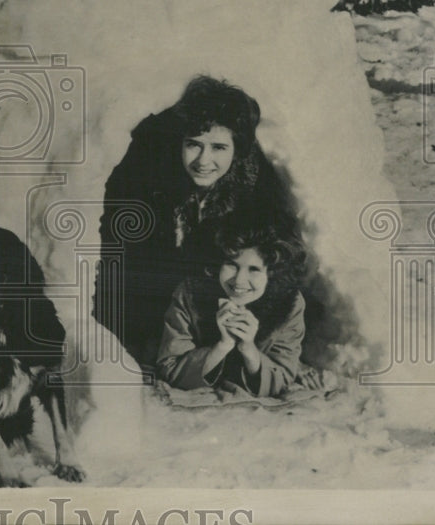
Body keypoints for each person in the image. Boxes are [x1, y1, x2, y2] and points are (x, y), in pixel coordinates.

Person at [93, 75, 299, 370]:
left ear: (237, 151)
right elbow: (119, 264)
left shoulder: (254, 197)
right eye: (194, 145)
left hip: (216, 319)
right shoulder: (149, 187)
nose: (204, 160)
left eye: (218, 148)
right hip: (156, 316)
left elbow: (270, 277)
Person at [155, 220, 306, 398]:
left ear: (273, 274)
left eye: (254, 269)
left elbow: (282, 378)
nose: (239, 280)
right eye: (232, 265)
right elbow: (170, 368)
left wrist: (248, 349)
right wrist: (222, 346)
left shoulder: (290, 304)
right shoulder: (190, 294)